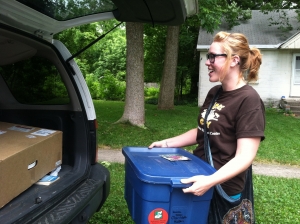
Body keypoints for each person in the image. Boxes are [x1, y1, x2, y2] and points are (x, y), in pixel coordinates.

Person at [149, 31, 265, 202]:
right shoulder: (215, 92)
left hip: (221, 187)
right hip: (199, 174)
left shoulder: (249, 100)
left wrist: (210, 181)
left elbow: (244, 157)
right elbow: (203, 131)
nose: (207, 63)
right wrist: (166, 143)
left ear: (234, 60)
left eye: (212, 57)